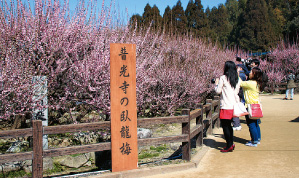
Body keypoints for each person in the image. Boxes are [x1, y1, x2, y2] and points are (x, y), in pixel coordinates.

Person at [215, 61, 241, 152]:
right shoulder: (237, 79)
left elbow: (218, 91)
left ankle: (229, 145)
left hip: (226, 105)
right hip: (234, 105)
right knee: (229, 126)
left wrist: (216, 84)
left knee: (225, 126)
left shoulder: (223, 78)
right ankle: (231, 143)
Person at [240, 67, 266, 147]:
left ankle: (254, 141)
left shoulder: (251, 83)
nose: (249, 73)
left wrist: (237, 73)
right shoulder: (257, 83)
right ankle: (257, 139)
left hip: (250, 106)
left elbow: (240, 83)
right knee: (255, 123)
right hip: (256, 105)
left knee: (251, 124)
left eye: (251, 72)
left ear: (254, 74)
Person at [232, 64, 247, 131]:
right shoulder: (240, 76)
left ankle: (236, 125)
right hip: (237, 95)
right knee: (235, 110)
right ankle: (237, 124)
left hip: (235, 96)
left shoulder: (240, 76)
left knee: (234, 110)